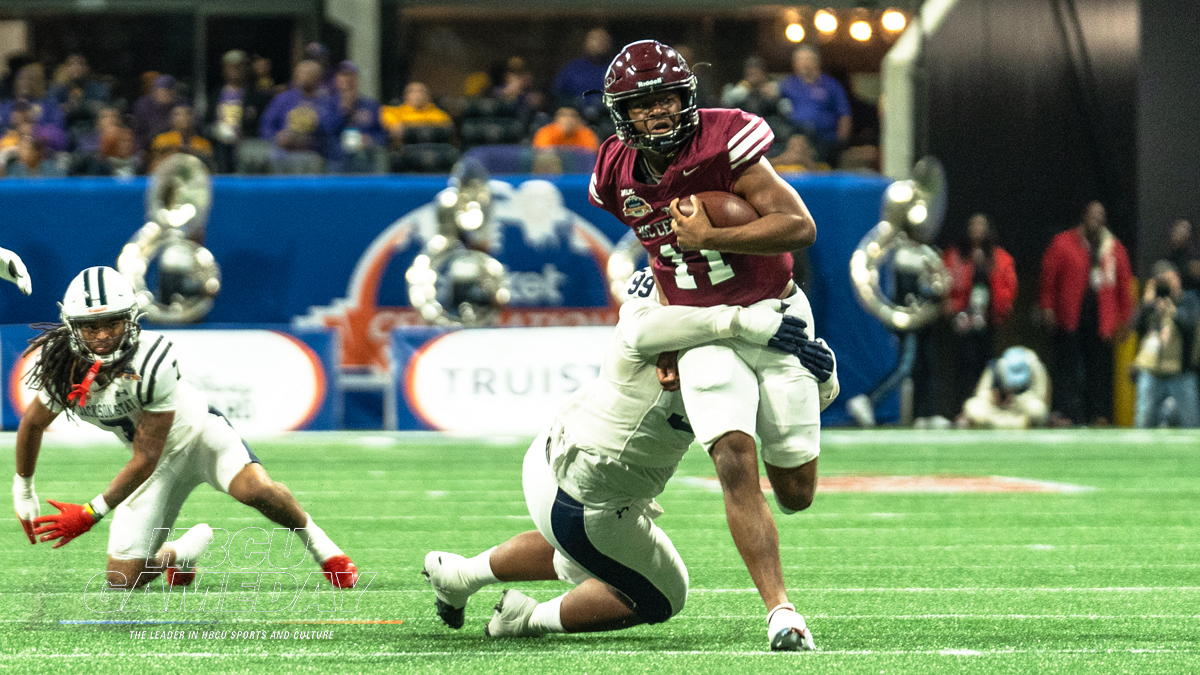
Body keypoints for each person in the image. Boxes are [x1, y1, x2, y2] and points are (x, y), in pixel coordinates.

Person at [424, 269, 837, 649]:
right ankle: (527, 619)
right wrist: (744, 323)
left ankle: (460, 575)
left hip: (558, 459)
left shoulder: (711, 320)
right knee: (663, 596)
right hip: (586, 498)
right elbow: (646, 329)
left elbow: (774, 411)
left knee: (585, 561)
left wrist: (816, 379)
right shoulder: (664, 316)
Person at [587, 40, 825, 649]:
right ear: (622, 113)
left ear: (687, 97)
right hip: (703, 329)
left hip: (772, 315)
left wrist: (717, 236)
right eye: (643, 104)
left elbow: (800, 227)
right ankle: (781, 612)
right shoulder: (615, 171)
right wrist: (671, 335)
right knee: (732, 459)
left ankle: (821, 381)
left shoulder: (726, 141)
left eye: (667, 97)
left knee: (796, 493)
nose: (659, 112)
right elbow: (660, 252)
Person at [14, 267, 358, 590]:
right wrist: (24, 488)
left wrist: (91, 513)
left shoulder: (152, 361)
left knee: (256, 491)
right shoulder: (62, 368)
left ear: (131, 320)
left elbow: (147, 454)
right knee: (123, 579)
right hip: (151, 466)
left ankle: (323, 548)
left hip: (198, 435)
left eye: (113, 323)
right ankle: (181, 552)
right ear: (72, 327)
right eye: (91, 326)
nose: (102, 335)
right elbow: (33, 424)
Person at [1039, 201, 1134, 425]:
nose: (1097, 220)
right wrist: (1047, 307)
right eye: (1093, 215)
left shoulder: (1113, 248)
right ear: (1084, 217)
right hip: (1070, 316)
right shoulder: (1063, 243)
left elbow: (1123, 285)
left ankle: (1097, 414)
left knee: (1098, 370)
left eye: (1101, 216)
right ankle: (1068, 414)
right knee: (1069, 368)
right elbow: (1048, 280)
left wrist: (1126, 318)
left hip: (1101, 318)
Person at [943, 213, 1018, 409]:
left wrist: (1003, 307)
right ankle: (961, 408)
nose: (977, 229)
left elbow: (1008, 286)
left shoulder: (1000, 258)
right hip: (963, 318)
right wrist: (950, 304)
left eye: (981, 226)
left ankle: (985, 406)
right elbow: (945, 282)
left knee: (987, 364)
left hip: (988, 318)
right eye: (973, 225)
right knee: (964, 363)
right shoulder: (955, 255)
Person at [1131, 261, 1200, 428]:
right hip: (1152, 372)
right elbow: (1136, 328)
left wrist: (1173, 312)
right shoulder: (1151, 304)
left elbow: (1191, 326)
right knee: (1143, 424)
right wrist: (1146, 305)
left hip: (1181, 374)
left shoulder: (1189, 301)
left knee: (1190, 425)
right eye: (1161, 281)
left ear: (1177, 277)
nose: (1166, 285)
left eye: (1169, 279)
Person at [258, 60, 336, 174]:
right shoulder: (283, 99)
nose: (301, 77)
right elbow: (265, 126)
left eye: (307, 73)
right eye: (299, 73)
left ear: (318, 78)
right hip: (284, 154)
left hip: (314, 155)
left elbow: (332, 130)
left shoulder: (327, 102)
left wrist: (315, 127)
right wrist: (277, 137)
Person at [777, 46, 851, 163]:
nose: (804, 64)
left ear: (817, 62)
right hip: (794, 137)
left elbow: (844, 116)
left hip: (824, 140)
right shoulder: (787, 85)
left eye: (807, 59)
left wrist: (840, 144)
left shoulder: (831, 85)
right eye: (800, 60)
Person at [960, 346, 1050, 429]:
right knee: (972, 406)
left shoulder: (1035, 368)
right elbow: (981, 394)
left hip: (1020, 412)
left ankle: (1002, 425)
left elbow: (1040, 397)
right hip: (996, 412)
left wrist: (1018, 400)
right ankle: (1011, 425)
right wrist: (991, 398)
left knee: (1037, 410)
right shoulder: (995, 367)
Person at [329, 61, 386, 173]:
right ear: (336, 79)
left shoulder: (370, 104)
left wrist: (370, 139)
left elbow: (383, 135)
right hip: (337, 160)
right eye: (342, 75)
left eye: (349, 75)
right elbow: (327, 131)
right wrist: (344, 110)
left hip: (365, 159)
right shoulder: (328, 103)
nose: (346, 79)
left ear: (356, 78)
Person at [552, 27, 612, 114]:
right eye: (594, 39)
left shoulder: (615, 69)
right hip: (576, 117)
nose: (599, 43)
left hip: (607, 117)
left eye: (603, 39)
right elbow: (558, 96)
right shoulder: (573, 68)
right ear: (586, 42)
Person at [379, 81, 453, 149]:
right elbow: (396, 130)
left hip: (433, 150)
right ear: (405, 95)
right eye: (413, 92)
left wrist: (408, 126)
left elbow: (447, 129)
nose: (418, 95)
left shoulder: (439, 114)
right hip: (405, 151)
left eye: (421, 92)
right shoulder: (393, 111)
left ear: (428, 96)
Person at [149, 104, 215, 171]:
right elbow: (154, 166)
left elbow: (209, 168)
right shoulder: (162, 140)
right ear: (172, 118)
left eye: (188, 113)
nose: (184, 117)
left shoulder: (202, 143)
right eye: (178, 114)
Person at [132, 75, 179, 154]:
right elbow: (138, 133)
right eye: (160, 91)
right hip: (147, 147)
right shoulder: (143, 105)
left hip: (174, 146)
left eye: (167, 92)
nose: (163, 94)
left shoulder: (181, 105)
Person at [532, 106, 600, 152]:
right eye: (563, 115)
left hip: (578, 169)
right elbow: (541, 151)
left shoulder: (585, 133)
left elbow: (592, 152)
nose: (568, 119)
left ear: (578, 120)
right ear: (556, 119)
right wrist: (561, 133)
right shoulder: (546, 132)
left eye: (572, 116)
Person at [1167, 219, 1200, 294]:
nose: (1178, 234)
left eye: (1183, 230)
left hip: (1193, 293)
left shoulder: (1195, 254)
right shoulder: (1171, 255)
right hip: (1176, 294)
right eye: (1176, 230)